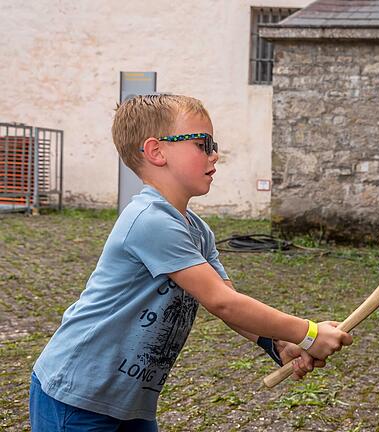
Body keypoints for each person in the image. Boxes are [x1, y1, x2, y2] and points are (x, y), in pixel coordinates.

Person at [29, 94, 353, 431]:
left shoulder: (197, 230)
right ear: (156, 152)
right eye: (203, 143)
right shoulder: (149, 220)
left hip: (130, 402)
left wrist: (277, 343)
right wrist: (309, 333)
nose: (215, 154)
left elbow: (227, 297)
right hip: (76, 396)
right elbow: (223, 302)